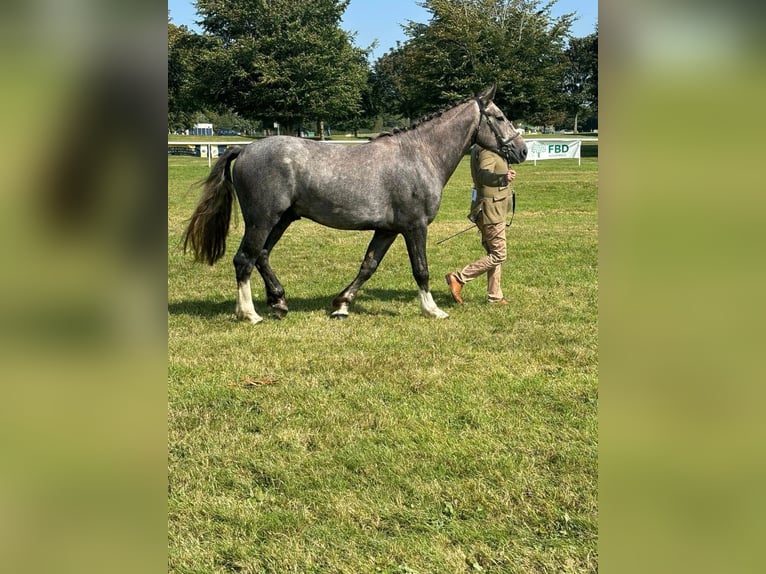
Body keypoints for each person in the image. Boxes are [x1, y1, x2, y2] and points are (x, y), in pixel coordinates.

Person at [445, 145, 516, 305]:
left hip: (491, 208)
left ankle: (495, 296)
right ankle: (458, 278)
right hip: (491, 210)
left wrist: (505, 173)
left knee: (494, 252)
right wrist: (502, 178)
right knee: (499, 254)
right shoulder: (487, 149)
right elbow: (484, 175)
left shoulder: (489, 147)